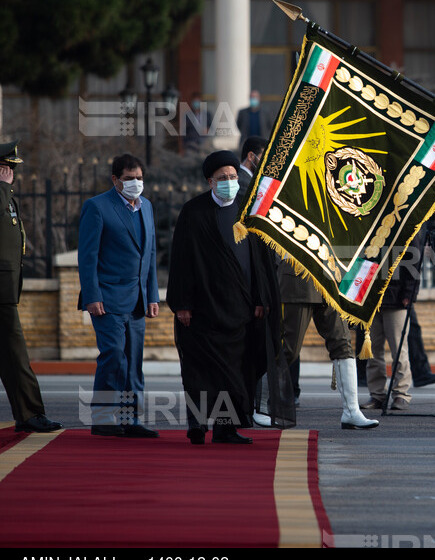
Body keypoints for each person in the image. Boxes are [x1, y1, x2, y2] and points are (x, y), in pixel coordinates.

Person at [166, 151, 294, 445]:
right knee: (199, 371)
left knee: (234, 372)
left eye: (233, 177)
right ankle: (197, 424)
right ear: (210, 182)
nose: (229, 183)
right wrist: (182, 304)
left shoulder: (248, 210)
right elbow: (181, 261)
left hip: (241, 307)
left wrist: (262, 298)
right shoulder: (193, 212)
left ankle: (225, 428)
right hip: (202, 309)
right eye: (222, 179)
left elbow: (261, 260)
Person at [78, 153, 160, 438]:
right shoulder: (98, 207)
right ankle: (102, 417)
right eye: (129, 179)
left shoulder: (146, 207)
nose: (135, 183)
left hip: (137, 298)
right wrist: (92, 295)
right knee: (114, 355)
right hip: (107, 298)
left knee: (133, 360)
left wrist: (152, 296)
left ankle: (130, 419)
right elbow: (88, 256)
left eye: (139, 178)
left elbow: (148, 254)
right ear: (115, 180)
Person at [0, 142, 62, 434]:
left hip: (4, 292)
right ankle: (30, 413)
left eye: (11, 169)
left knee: (13, 356)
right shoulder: (1, 196)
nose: (10, 174)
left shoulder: (7, 198)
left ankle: (28, 414)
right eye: (6, 168)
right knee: (15, 354)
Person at [276, 259, 379, 429]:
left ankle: (351, 411)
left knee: (343, 345)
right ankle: (263, 405)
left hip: (331, 281)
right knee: (288, 348)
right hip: (299, 279)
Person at [362, 231, 425, 411]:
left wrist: (409, 292)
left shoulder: (406, 223)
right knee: (373, 351)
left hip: (396, 297)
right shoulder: (372, 224)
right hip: (372, 298)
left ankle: (401, 394)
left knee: (399, 350)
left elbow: (414, 259)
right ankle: (377, 395)